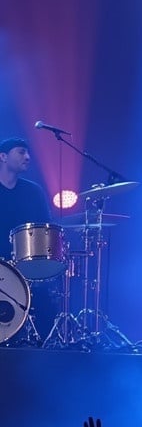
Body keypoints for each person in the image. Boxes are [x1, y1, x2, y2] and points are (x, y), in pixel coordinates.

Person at [0, 136, 56, 343]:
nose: (28, 157)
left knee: (46, 302)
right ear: (3, 156)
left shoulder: (34, 191)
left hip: (25, 266)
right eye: (21, 152)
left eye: (28, 152)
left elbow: (46, 228)